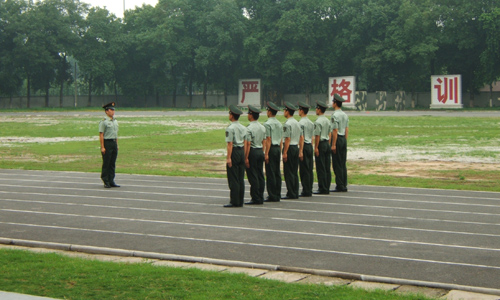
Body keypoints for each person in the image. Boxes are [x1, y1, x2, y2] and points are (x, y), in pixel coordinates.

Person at [224, 105, 247, 208]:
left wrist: (228, 157)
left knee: (233, 178)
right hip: (242, 151)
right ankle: (240, 200)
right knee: (240, 177)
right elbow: (246, 142)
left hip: (234, 152)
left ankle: (234, 201)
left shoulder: (230, 128)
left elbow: (230, 144)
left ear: (232, 115)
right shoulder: (243, 127)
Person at [244, 105, 266, 205]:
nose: (248, 115)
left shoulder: (248, 128)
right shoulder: (262, 127)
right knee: (260, 174)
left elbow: (248, 143)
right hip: (260, 150)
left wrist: (246, 157)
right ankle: (260, 196)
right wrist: (263, 151)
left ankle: (255, 197)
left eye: (249, 113)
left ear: (251, 115)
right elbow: (264, 141)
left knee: (253, 176)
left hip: (252, 151)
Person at [263, 101, 283, 202]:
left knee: (270, 172)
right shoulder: (279, 124)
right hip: (278, 148)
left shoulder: (267, 124)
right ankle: (278, 193)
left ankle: (272, 194)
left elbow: (268, 139)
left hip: (271, 149)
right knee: (277, 172)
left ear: (270, 112)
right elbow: (281, 139)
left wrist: (266, 153)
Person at [281, 102, 301, 199]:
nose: (284, 112)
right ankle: (295, 191)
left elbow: (287, 139)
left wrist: (285, 152)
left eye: (284, 110)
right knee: (294, 171)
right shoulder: (297, 123)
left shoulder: (287, 124)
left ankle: (291, 192)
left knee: (288, 172)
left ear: (287, 111)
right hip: (295, 147)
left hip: (289, 148)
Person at [330, 94, 349, 192]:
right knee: (342, 162)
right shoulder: (345, 115)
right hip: (343, 139)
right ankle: (344, 183)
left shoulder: (334, 115)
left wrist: (333, 144)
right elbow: (346, 129)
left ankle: (340, 185)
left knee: (337, 163)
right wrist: (345, 140)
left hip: (337, 139)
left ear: (335, 103)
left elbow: (335, 130)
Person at [99, 102, 120, 188]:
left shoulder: (115, 121)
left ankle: (111, 180)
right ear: (106, 111)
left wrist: (117, 144)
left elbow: (116, 134)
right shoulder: (104, 122)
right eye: (111, 110)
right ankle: (106, 180)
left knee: (112, 163)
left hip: (113, 142)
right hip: (107, 142)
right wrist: (102, 147)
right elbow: (101, 134)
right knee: (106, 163)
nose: (113, 112)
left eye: (113, 110)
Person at [313, 101, 332, 194]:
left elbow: (317, 136)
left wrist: (316, 147)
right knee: (327, 166)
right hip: (327, 143)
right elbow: (330, 133)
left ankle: (322, 187)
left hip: (321, 144)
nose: (315, 110)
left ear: (319, 110)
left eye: (316, 108)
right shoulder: (327, 120)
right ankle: (327, 186)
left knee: (321, 167)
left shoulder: (317, 122)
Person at [297, 101, 314, 197]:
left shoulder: (300, 123)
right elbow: (312, 137)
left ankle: (306, 189)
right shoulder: (311, 123)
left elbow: (301, 137)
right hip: (309, 146)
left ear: (301, 111)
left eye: (299, 110)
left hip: (304, 146)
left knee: (304, 170)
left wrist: (300, 151)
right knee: (309, 169)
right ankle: (309, 188)